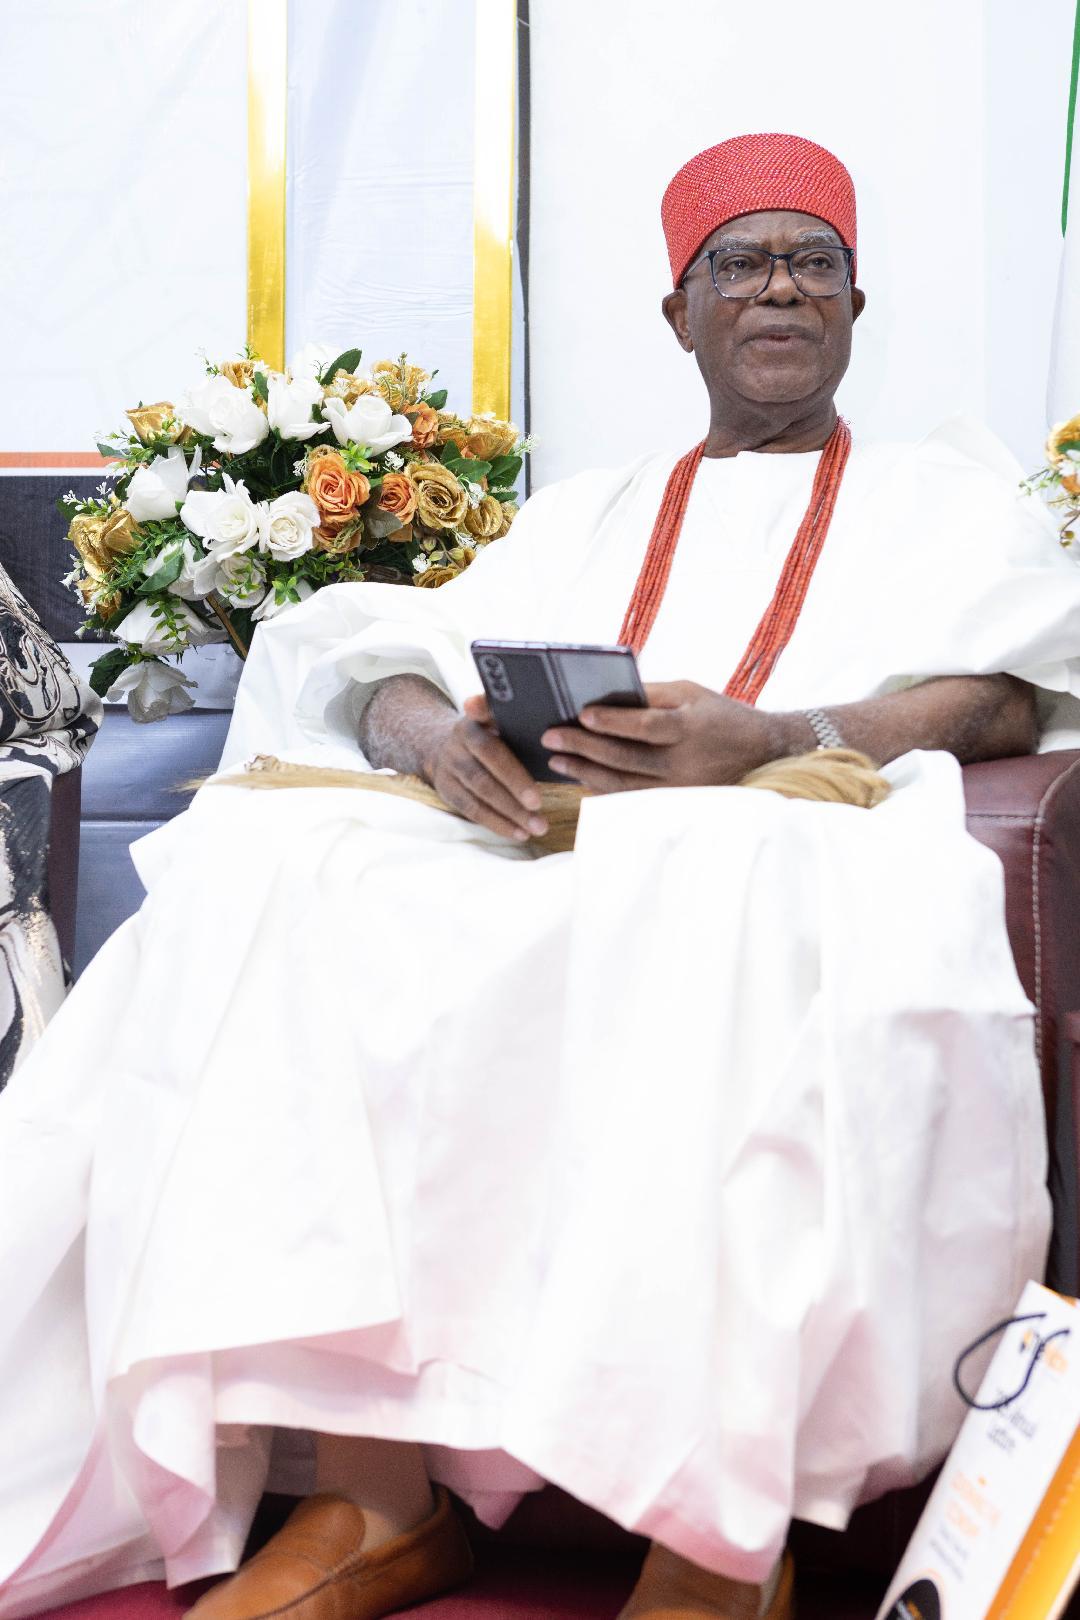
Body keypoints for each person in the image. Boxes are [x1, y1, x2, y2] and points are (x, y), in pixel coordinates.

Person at [0, 132, 1076, 1620]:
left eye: (812, 262)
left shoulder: (944, 498)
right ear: (677, 312)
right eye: (740, 263)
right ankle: (373, 1501)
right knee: (273, 859)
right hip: (546, 838)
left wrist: (771, 737)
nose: (780, 288)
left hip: (785, 826)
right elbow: (379, 662)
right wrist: (440, 743)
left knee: (718, 875)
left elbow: (1010, 693)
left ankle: (716, 1534)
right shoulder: (584, 513)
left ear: (855, 302)